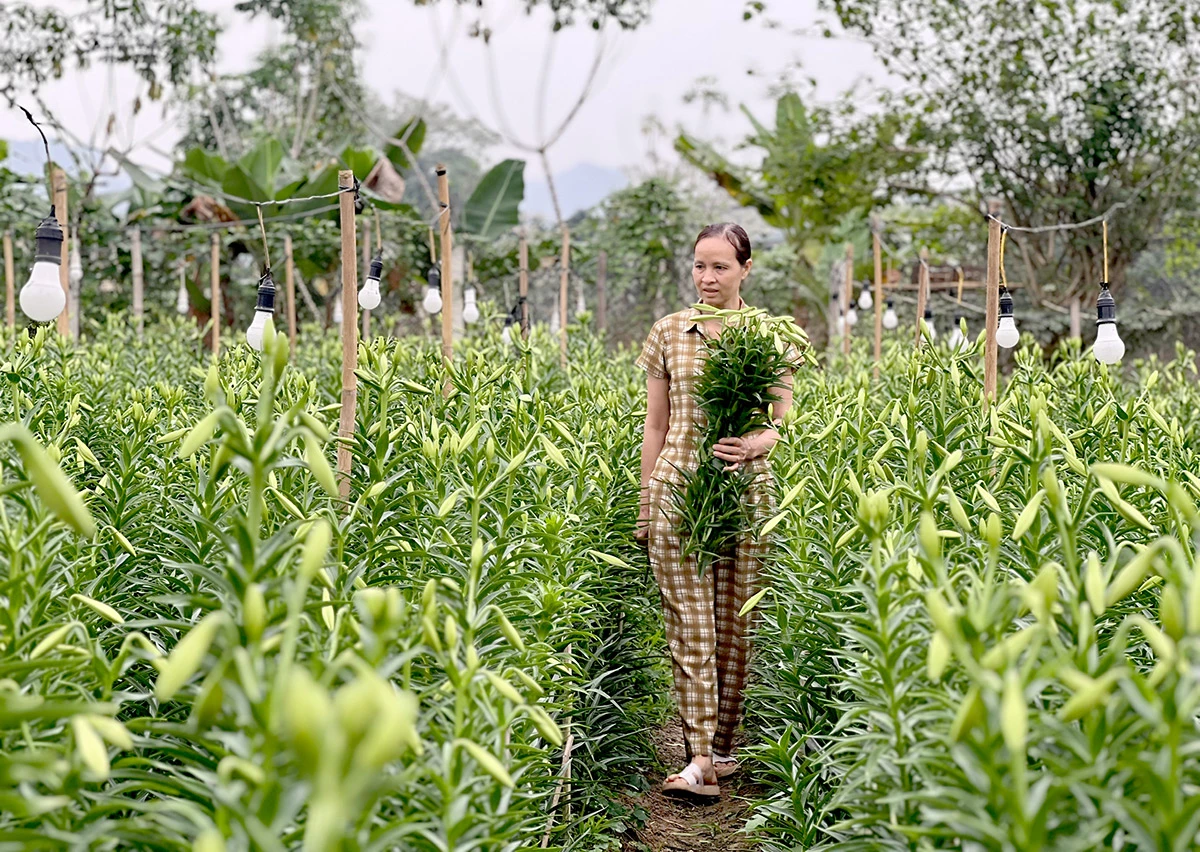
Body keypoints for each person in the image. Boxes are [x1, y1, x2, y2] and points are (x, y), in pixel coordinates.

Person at [635, 223, 799, 804]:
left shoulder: (771, 336)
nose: (707, 278)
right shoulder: (668, 332)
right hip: (679, 486)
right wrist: (647, 497)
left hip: (744, 490)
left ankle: (723, 746)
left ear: (746, 269)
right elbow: (657, 425)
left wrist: (758, 441)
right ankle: (698, 757)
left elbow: (778, 420)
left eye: (720, 267)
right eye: (699, 266)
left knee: (734, 625)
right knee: (691, 622)